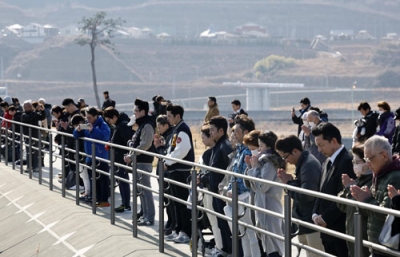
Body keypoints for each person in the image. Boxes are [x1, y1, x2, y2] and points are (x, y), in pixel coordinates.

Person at [350, 136, 400, 257]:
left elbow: (386, 213)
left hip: (388, 247)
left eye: (369, 158)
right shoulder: (380, 174)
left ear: (383, 155)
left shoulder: (394, 177)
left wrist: (366, 200)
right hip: (377, 243)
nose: (367, 164)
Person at [311, 122, 356, 257]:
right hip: (325, 228)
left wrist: (325, 218)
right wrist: (315, 213)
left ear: (334, 141)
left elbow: (344, 196)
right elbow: (321, 191)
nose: (319, 150)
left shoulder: (347, 162)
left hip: (339, 229)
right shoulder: (327, 162)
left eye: (321, 145)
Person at [275, 135, 324, 257]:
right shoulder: (304, 163)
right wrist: (291, 182)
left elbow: (307, 195)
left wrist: (289, 184)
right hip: (305, 220)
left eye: (285, 156)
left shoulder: (309, 165)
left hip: (311, 223)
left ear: (295, 151)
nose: (286, 161)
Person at [225, 114, 260, 257]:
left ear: (246, 133)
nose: (233, 134)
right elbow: (234, 172)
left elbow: (246, 175)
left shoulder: (249, 151)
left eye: (236, 132)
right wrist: (229, 189)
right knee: (244, 234)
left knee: (251, 235)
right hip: (238, 196)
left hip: (245, 196)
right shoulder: (240, 150)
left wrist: (234, 189)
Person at [198, 116, 234, 256]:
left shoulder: (225, 146)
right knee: (220, 223)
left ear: (221, 130)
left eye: (213, 130)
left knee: (224, 224)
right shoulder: (217, 146)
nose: (210, 132)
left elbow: (229, 169)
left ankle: (229, 250)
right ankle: (225, 249)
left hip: (221, 192)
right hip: (214, 190)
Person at [246, 130, 285, 257]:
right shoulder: (265, 162)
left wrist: (255, 168)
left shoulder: (269, 163)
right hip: (264, 205)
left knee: (272, 242)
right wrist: (252, 168)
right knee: (267, 241)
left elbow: (262, 186)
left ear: (268, 147)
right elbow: (254, 185)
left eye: (261, 146)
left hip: (269, 206)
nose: (259, 149)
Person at [160, 104, 194, 243]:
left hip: (181, 171)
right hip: (174, 171)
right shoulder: (176, 129)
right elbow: (172, 149)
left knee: (182, 203)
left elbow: (182, 151)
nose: (168, 119)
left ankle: (186, 231)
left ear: (177, 116)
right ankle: (178, 229)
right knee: (176, 203)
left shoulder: (183, 130)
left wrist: (167, 162)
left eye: (169, 116)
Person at [124, 98, 156, 225]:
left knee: (145, 190)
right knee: (140, 190)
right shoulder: (142, 124)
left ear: (143, 111)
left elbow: (145, 145)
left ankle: (149, 217)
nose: (135, 113)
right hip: (138, 160)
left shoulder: (147, 125)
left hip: (144, 161)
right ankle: (144, 213)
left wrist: (132, 155)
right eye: (134, 110)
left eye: (136, 111)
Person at [337, 144, 372, 257]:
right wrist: (347, 188)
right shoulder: (357, 181)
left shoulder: (371, 183)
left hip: (364, 235)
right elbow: (342, 206)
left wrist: (349, 189)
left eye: (358, 162)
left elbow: (359, 205)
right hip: (352, 233)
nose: (355, 166)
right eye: (354, 163)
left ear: (368, 162)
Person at [73, 107, 111, 207]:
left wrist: (93, 130)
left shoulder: (103, 125)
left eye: (89, 117)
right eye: (86, 117)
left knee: (102, 179)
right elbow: (75, 135)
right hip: (90, 157)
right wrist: (78, 129)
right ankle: (96, 198)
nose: (87, 119)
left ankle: (104, 200)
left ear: (95, 116)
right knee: (93, 179)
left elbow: (105, 136)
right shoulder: (87, 124)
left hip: (101, 157)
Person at [197, 124, 224, 255]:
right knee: (213, 221)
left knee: (215, 221)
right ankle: (219, 246)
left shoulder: (215, 151)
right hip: (207, 189)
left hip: (212, 190)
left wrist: (202, 178)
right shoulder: (209, 153)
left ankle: (220, 248)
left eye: (204, 137)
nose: (202, 140)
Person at [103, 107, 133, 213]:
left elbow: (127, 142)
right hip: (117, 156)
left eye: (109, 120)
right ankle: (124, 203)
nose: (109, 122)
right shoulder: (118, 125)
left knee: (123, 180)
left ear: (115, 117)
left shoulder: (122, 125)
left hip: (121, 157)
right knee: (120, 180)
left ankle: (126, 204)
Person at [154, 115, 175, 234]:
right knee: (166, 199)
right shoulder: (166, 136)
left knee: (170, 200)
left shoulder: (171, 136)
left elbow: (166, 155)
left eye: (159, 127)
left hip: (167, 173)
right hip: (162, 171)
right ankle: (169, 222)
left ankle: (172, 224)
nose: (158, 130)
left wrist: (159, 147)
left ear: (166, 125)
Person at [20, 100, 45, 173]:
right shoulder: (23, 115)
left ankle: (36, 166)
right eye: (27, 106)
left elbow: (41, 117)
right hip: (28, 135)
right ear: (24, 107)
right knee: (29, 151)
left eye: (30, 106)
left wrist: (42, 111)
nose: (30, 107)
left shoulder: (34, 113)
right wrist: (36, 110)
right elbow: (29, 118)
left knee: (36, 151)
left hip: (35, 134)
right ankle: (29, 166)